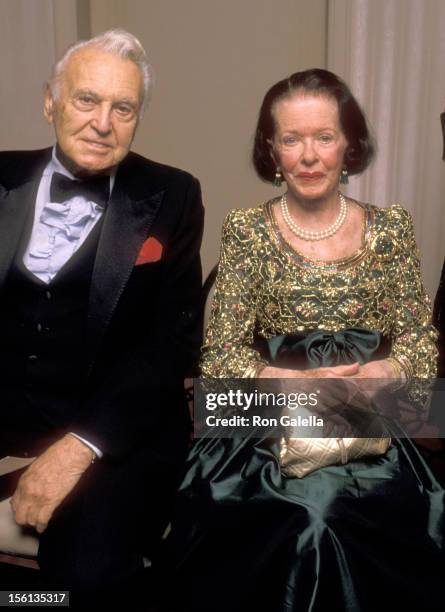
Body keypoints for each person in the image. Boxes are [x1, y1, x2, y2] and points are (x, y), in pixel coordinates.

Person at [170, 69, 444, 612]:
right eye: (291, 139)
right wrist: (291, 384)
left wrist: (381, 373)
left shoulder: (392, 229)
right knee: (310, 523)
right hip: (265, 433)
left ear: (350, 144)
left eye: (324, 136)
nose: (309, 155)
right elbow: (220, 352)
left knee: (388, 519)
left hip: (375, 425)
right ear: (271, 151)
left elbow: (421, 341)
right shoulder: (246, 229)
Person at [0, 29, 203, 605]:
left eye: (123, 108)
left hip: (110, 437)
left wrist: (79, 447)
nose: (102, 122)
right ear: (50, 101)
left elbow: (171, 344)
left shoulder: (173, 195)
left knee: (83, 580)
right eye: (86, 100)